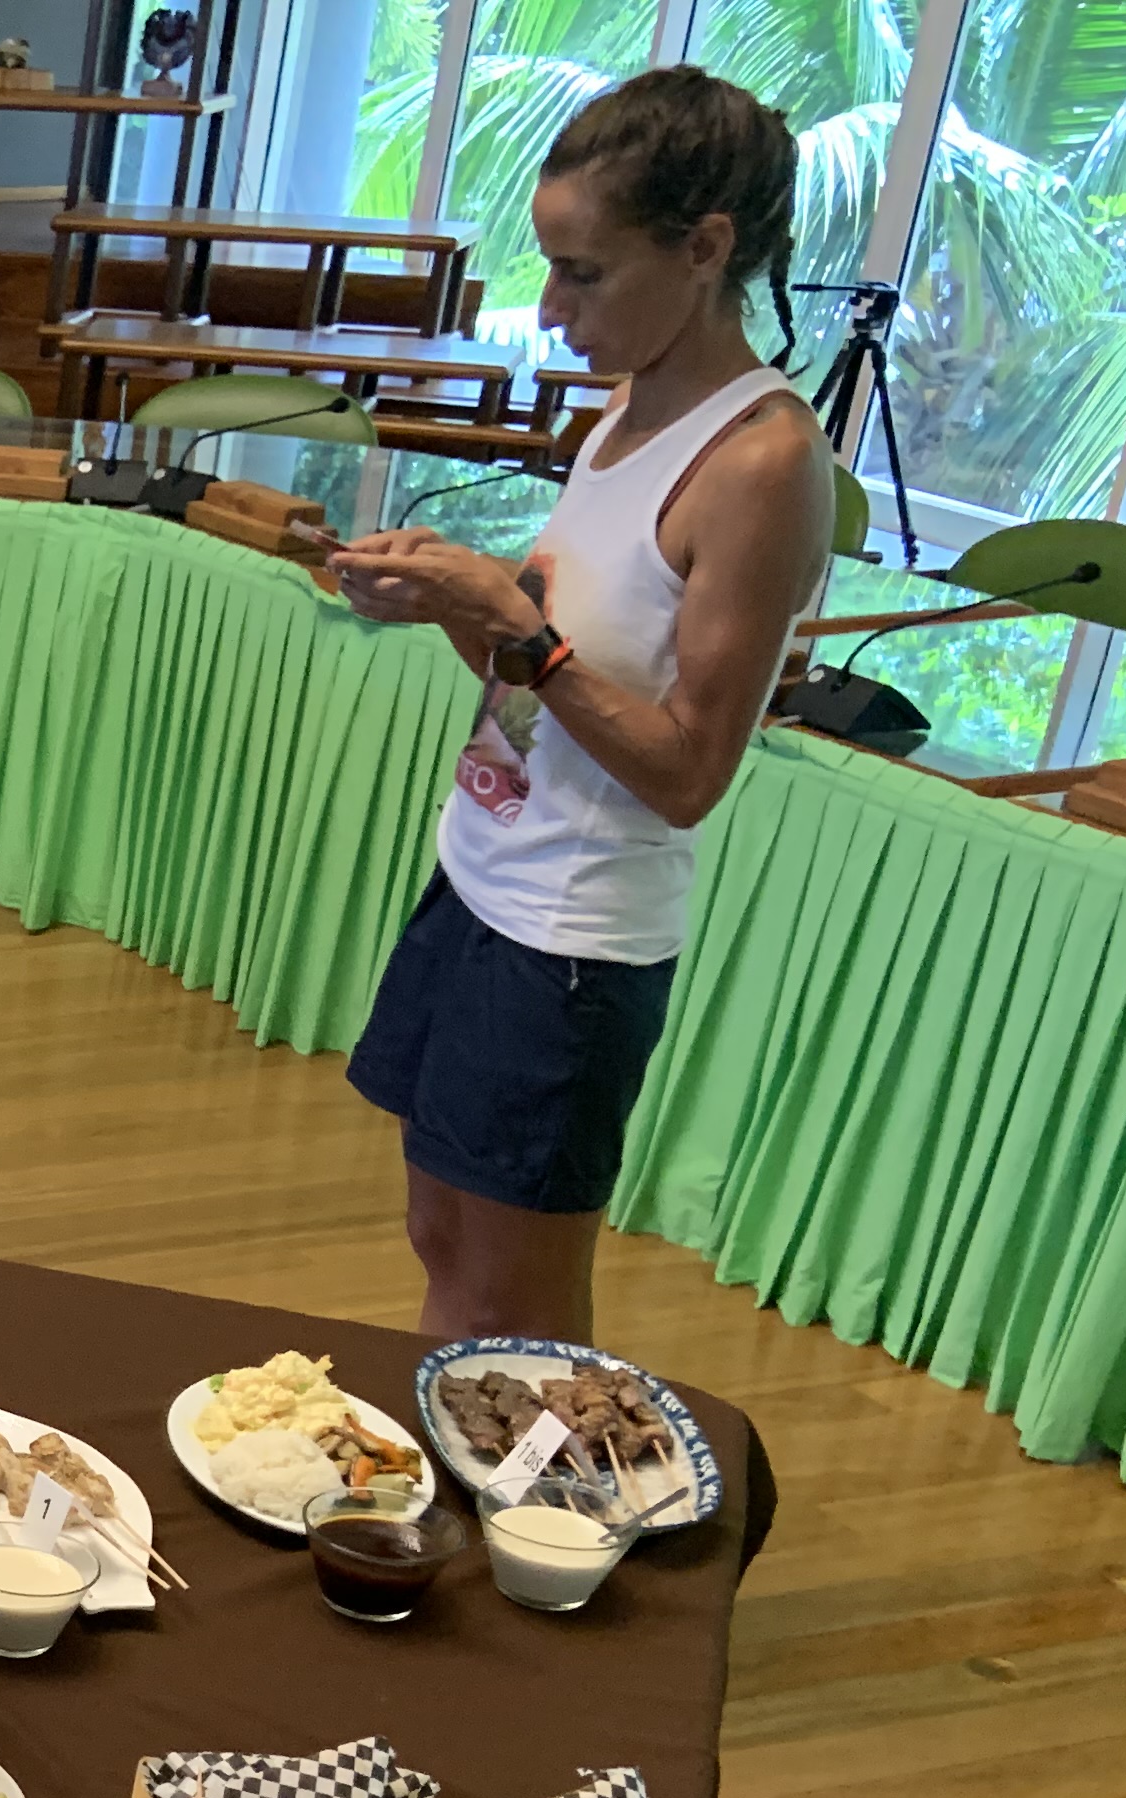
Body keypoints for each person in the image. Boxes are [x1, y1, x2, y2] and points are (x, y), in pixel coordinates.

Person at [328, 67, 833, 1344]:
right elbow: (543, 681)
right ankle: (455, 1468)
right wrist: (450, 600)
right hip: (482, 878)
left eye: (583, 274)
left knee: (518, 1311)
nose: (551, 311)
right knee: (442, 1243)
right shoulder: (624, 406)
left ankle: (532, 1483)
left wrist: (518, 629)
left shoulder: (764, 460)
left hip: (572, 945)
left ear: (705, 248)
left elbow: (687, 775)